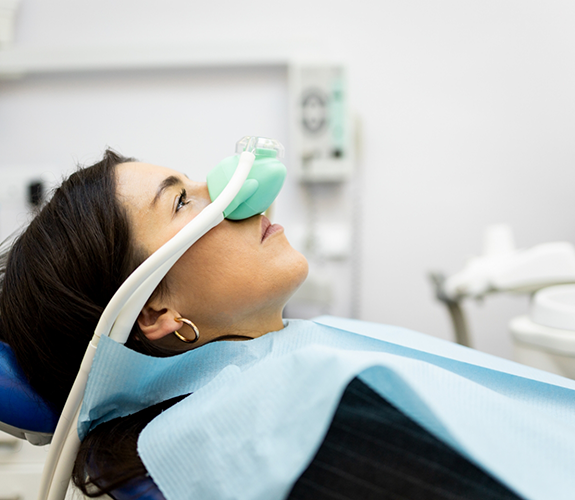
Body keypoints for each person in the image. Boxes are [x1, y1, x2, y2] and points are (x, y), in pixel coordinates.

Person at [0, 150, 526, 500]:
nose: (238, 192)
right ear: (156, 312)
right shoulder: (276, 433)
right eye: (183, 201)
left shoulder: (287, 379)